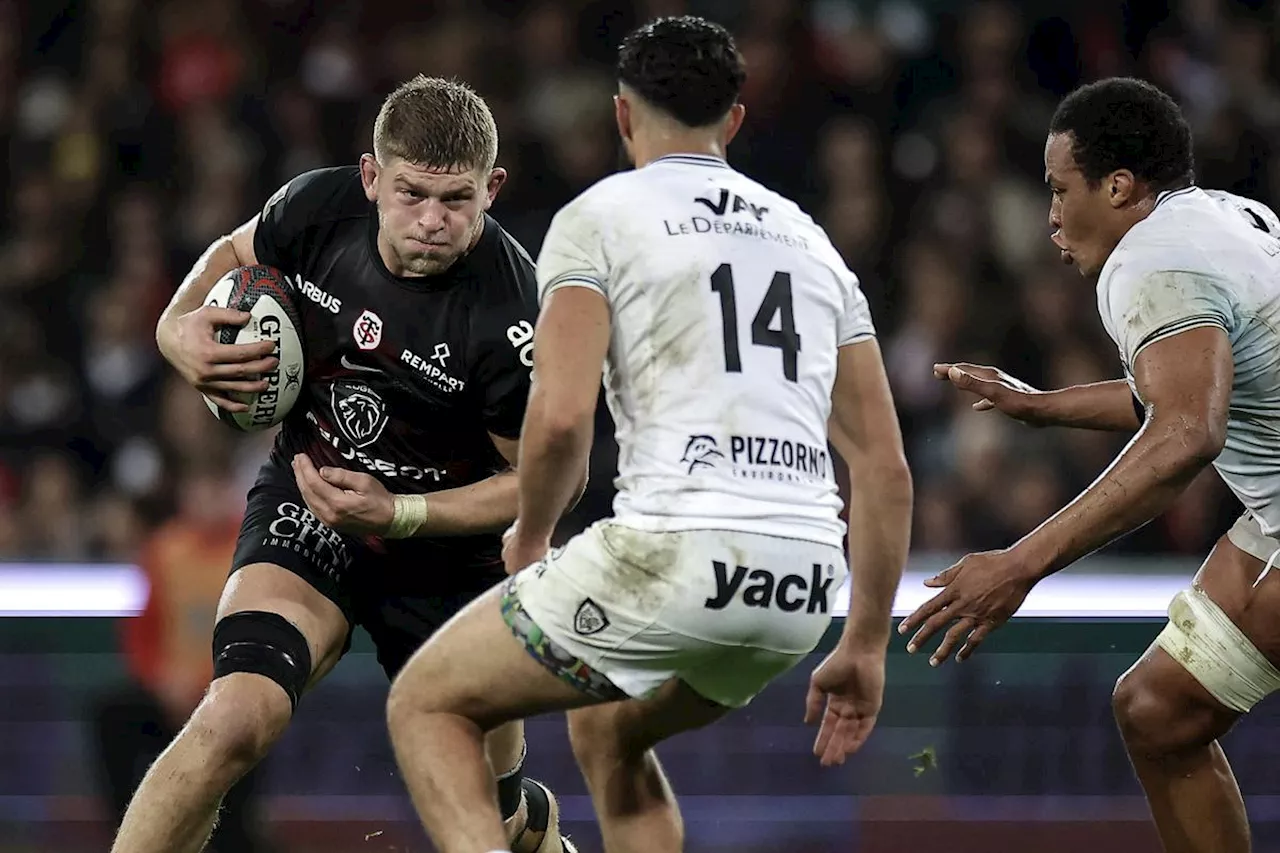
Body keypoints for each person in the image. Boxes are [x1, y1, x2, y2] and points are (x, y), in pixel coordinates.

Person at [384, 16, 913, 853]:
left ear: (622, 115)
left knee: (429, 703)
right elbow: (882, 467)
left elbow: (559, 419)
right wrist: (868, 643)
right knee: (612, 734)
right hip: (804, 585)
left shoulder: (600, 218)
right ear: (734, 121)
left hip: (673, 552)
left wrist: (532, 531)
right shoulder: (815, 246)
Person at [112, 76, 578, 853]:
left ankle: (531, 821)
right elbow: (232, 252)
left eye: (456, 199)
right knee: (233, 717)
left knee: (487, 821)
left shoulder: (515, 316)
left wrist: (398, 512)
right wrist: (173, 329)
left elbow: (542, 487)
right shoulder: (314, 210)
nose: (432, 220)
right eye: (411, 193)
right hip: (311, 503)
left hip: (450, 558)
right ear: (370, 178)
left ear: (493, 189)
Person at [900, 76, 1280, 853]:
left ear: (1117, 186)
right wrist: (1044, 405)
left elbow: (1186, 433)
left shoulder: (1148, 261)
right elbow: (1194, 391)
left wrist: (1020, 562)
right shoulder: (1227, 218)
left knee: (1162, 711)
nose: (1049, 213)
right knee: (1156, 710)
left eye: (1058, 187)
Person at [93, 461, 272, 853]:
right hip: (167, 694)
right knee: (112, 714)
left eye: (213, 489)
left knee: (250, 723)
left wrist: (208, 686)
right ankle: (129, 829)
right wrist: (159, 680)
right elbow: (141, 631)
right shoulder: (164, 549)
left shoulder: (252, 548)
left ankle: (231, 839)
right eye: (197, 489)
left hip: (229, 693)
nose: (204, 501)